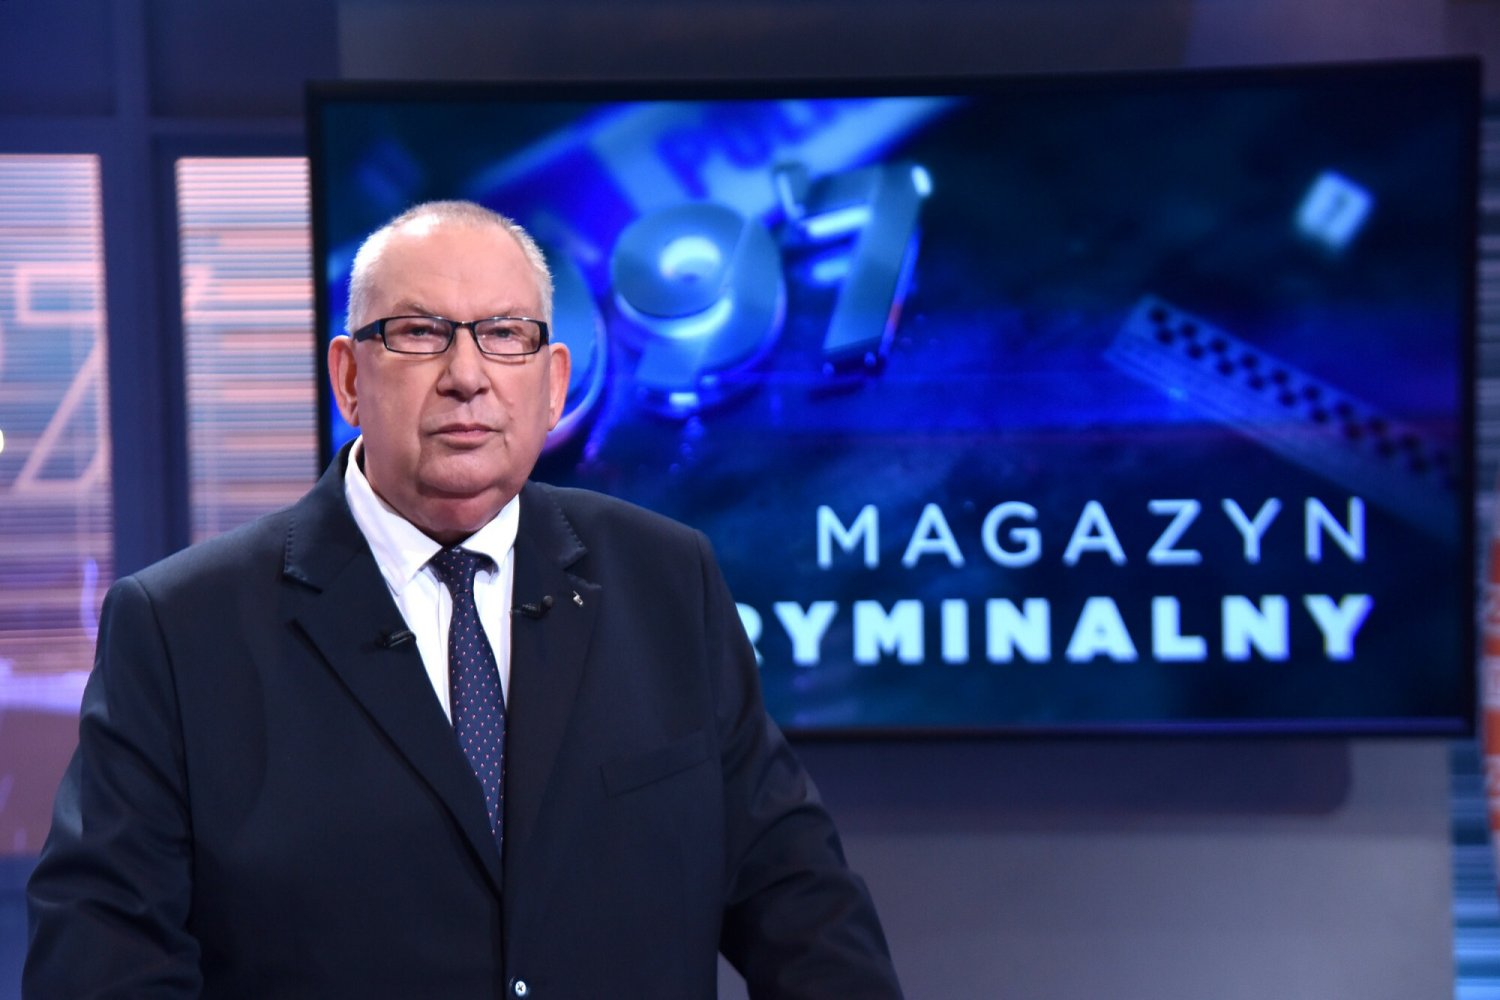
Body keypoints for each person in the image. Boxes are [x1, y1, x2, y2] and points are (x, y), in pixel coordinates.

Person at [24, 200, 902, 998]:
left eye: (505, 335)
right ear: (349, 378)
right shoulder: (181, 630)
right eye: (419, 333)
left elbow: (802, 906)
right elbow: (102, 963)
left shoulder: (669, 579)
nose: (467, 375)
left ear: (553, 383)